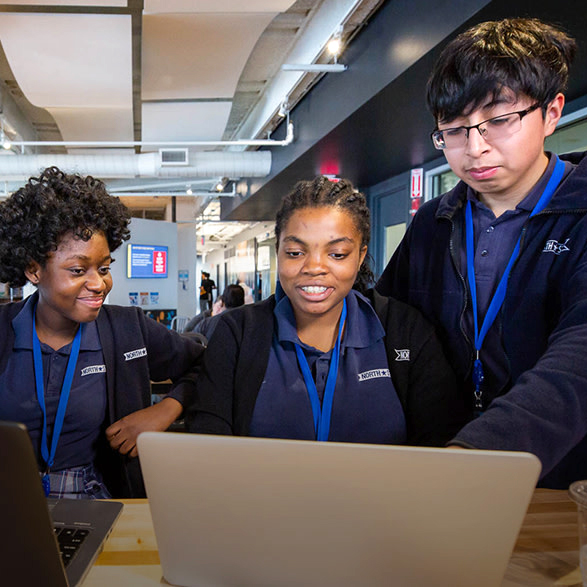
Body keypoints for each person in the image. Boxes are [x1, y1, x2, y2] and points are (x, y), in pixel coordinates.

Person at [376, 18, 587, 488]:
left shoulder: (581, 214)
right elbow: (384, 322)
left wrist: (475, 456)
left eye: (497, 121)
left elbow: (578, 361)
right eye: (453, 130)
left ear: (552, 112)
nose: (475, 148)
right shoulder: (433, 223)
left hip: (559, 481)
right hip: (442, 472)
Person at [186, 176, 465, 445]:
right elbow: (211, 446)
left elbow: (438, 445)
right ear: (278, 252)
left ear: (360, 256)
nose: (314, 267)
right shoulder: (238, 333)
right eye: (295, 253)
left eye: (337, 254)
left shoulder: (405, 331)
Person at [0, 167, 205, 498]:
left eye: (105, 268)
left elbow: (207, 366)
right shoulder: (3, 331)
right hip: (12, 499)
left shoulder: (127, 329)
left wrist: (163, 411)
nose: (98, 284)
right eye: (78, 270)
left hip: (96, 497)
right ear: (33, 269)